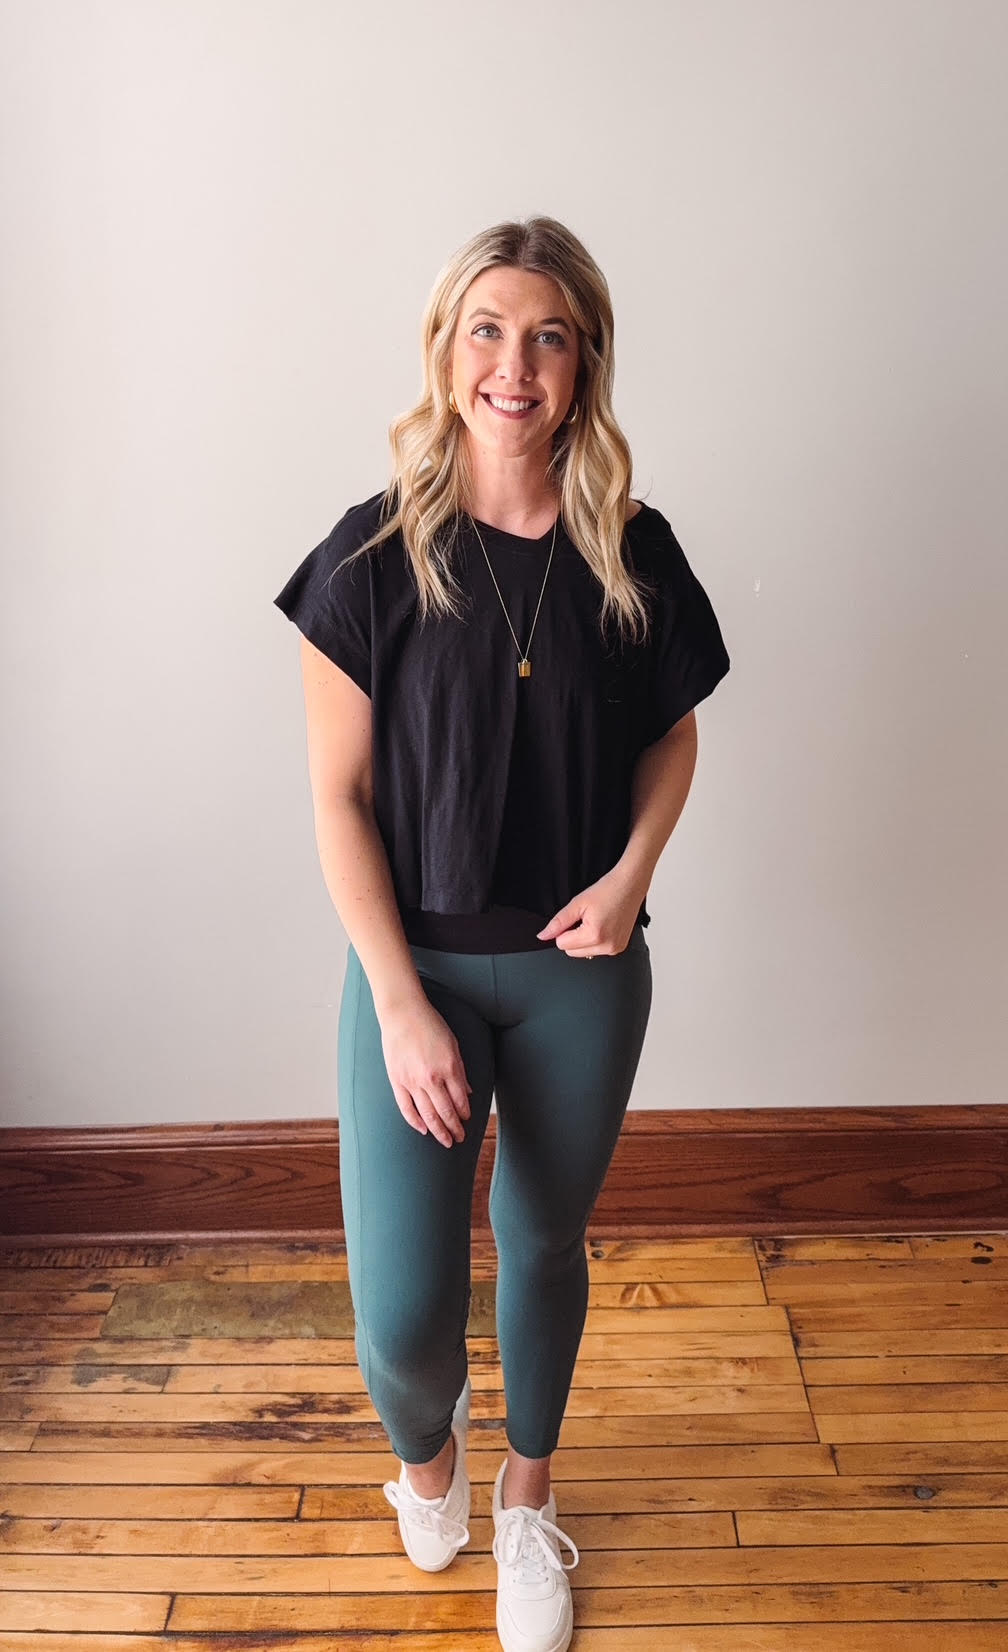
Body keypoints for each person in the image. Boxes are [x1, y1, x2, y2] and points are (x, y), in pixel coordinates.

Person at [274, 214, 730, 1652]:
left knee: (542, 1239)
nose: (512, 363)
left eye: (546, 334)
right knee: (403, 1323)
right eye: (487, 330)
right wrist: (399, 1002)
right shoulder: (368, 555)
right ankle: (435, 1460)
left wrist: (635, 866)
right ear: (445, 351)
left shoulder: (631, 552)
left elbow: (673, 742)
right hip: (415, 971)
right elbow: (339, 804)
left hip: (584, 973)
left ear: (584, 362)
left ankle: (528, 1504)